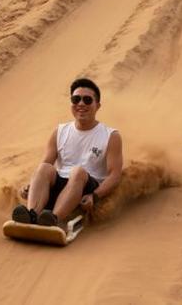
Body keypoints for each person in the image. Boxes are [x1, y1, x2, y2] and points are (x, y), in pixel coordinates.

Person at [12, 78, 123, 230]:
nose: (81, 104)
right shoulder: (60, 131)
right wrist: (31, 186)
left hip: (85, 190)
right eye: (76, 99)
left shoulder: (110, 136)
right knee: (45, 168)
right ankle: (32, 215)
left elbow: (115, 175)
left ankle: (53, 220)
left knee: (78, 171)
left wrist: (94, 196)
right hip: (60, 186)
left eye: (87, 100)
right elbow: (45, 165)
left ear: (97, 106)